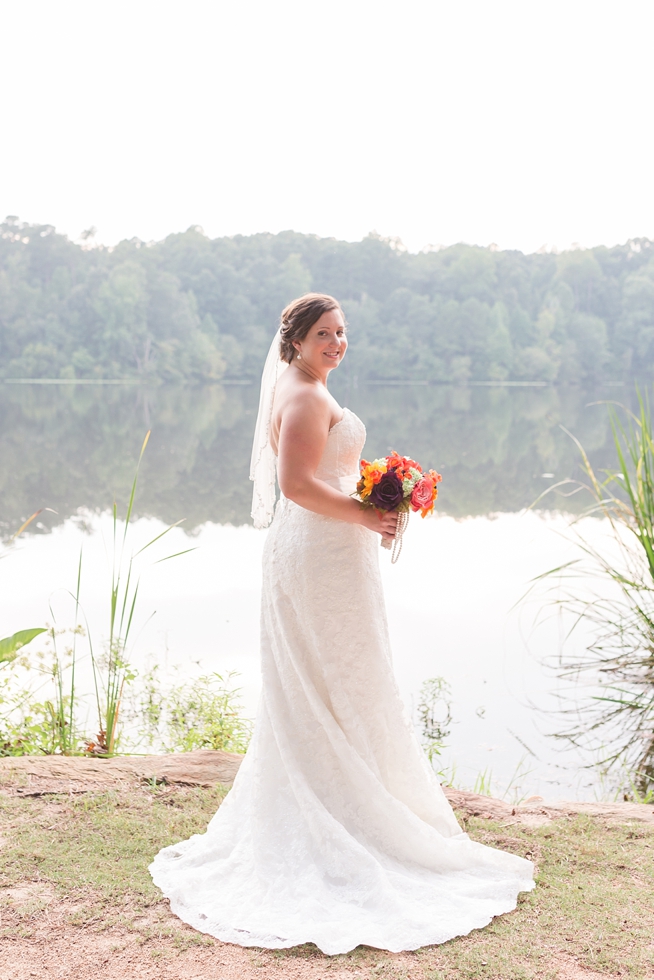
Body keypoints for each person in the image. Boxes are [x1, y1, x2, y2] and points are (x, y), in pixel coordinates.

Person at [150, 293, 534, 955]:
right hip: (318, 555)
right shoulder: (301, 397)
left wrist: (382, 485)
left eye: (342, 332)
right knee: (331, 683)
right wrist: (364, 514)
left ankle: (355, 806)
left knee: (344, 682)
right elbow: (297, 484)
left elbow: (327, 471)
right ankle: (336, 824)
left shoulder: (308, 389)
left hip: (327, 553)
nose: (336, 343)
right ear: (294, 343)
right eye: (324, 334)